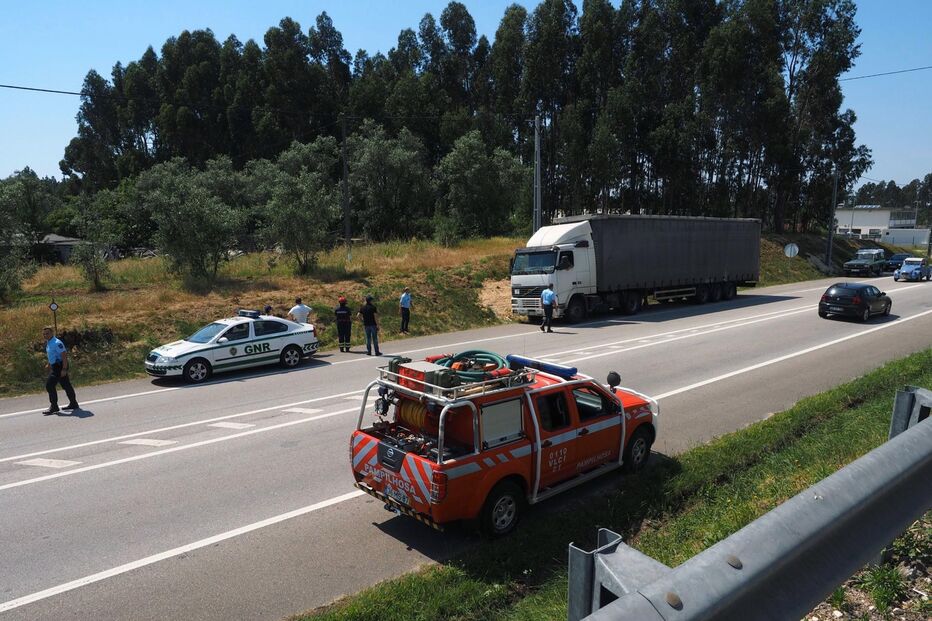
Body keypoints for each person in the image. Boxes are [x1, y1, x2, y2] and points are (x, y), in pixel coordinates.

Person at [42, 326, 78, 414]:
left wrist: (64, 369)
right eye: (44, 334)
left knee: (49, 385)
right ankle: (73, 403)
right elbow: (53, 354)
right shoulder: (49, 342)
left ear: (52, 333)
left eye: (47, 333)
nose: (45, 335)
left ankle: (54, 406)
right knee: (66, 384)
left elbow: (64, 355)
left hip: (60, 366)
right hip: (55, 366)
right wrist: (49, 364)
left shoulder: (57, 342)